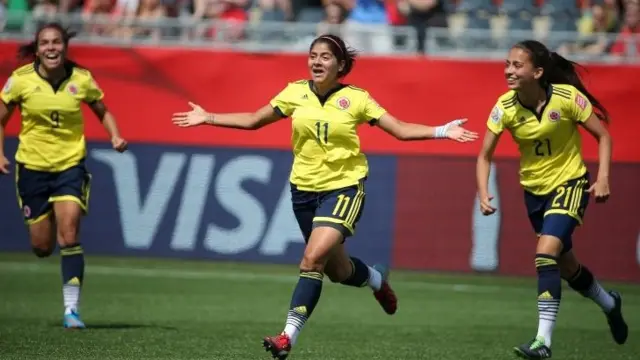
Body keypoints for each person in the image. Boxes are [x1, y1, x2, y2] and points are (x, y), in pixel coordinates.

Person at [172, 34, 478, 359]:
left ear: (341, 65)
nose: (317, 62)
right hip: (302, 191)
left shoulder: (357, 99)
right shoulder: (295, 92)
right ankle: (376, 280)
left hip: (344, 188)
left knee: (311, 259)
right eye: (313, 55)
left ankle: (286, 337)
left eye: (325, 57)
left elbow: (399, 129)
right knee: (338, 271)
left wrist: (443, 130)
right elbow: (253, 120)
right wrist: (209, 117)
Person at [476, 40, 628, 359]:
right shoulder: (504, 106)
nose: (508, 70)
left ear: (538, 71)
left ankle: (543, 342)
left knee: (545, 254)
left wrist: (602, 178)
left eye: (517, 65)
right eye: (507, 64)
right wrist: (483, 190)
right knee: (566, 266)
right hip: (535, 193)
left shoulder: (567, 98)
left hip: (570, 183)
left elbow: (603, 136)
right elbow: (484, 155)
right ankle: (609, 303)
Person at [0, 22, 127, 329]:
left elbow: (102, 110)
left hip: (70, 165)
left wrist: (115, 135)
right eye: (45, 43)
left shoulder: (81, 79)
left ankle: (72, 311)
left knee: (69, 235)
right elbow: (1, 117)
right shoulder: (20, 80)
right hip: (32, 167)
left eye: (56, 42)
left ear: (65, 46)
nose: (51, 48)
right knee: (42, 247)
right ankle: (49, 217)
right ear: (37, 48)